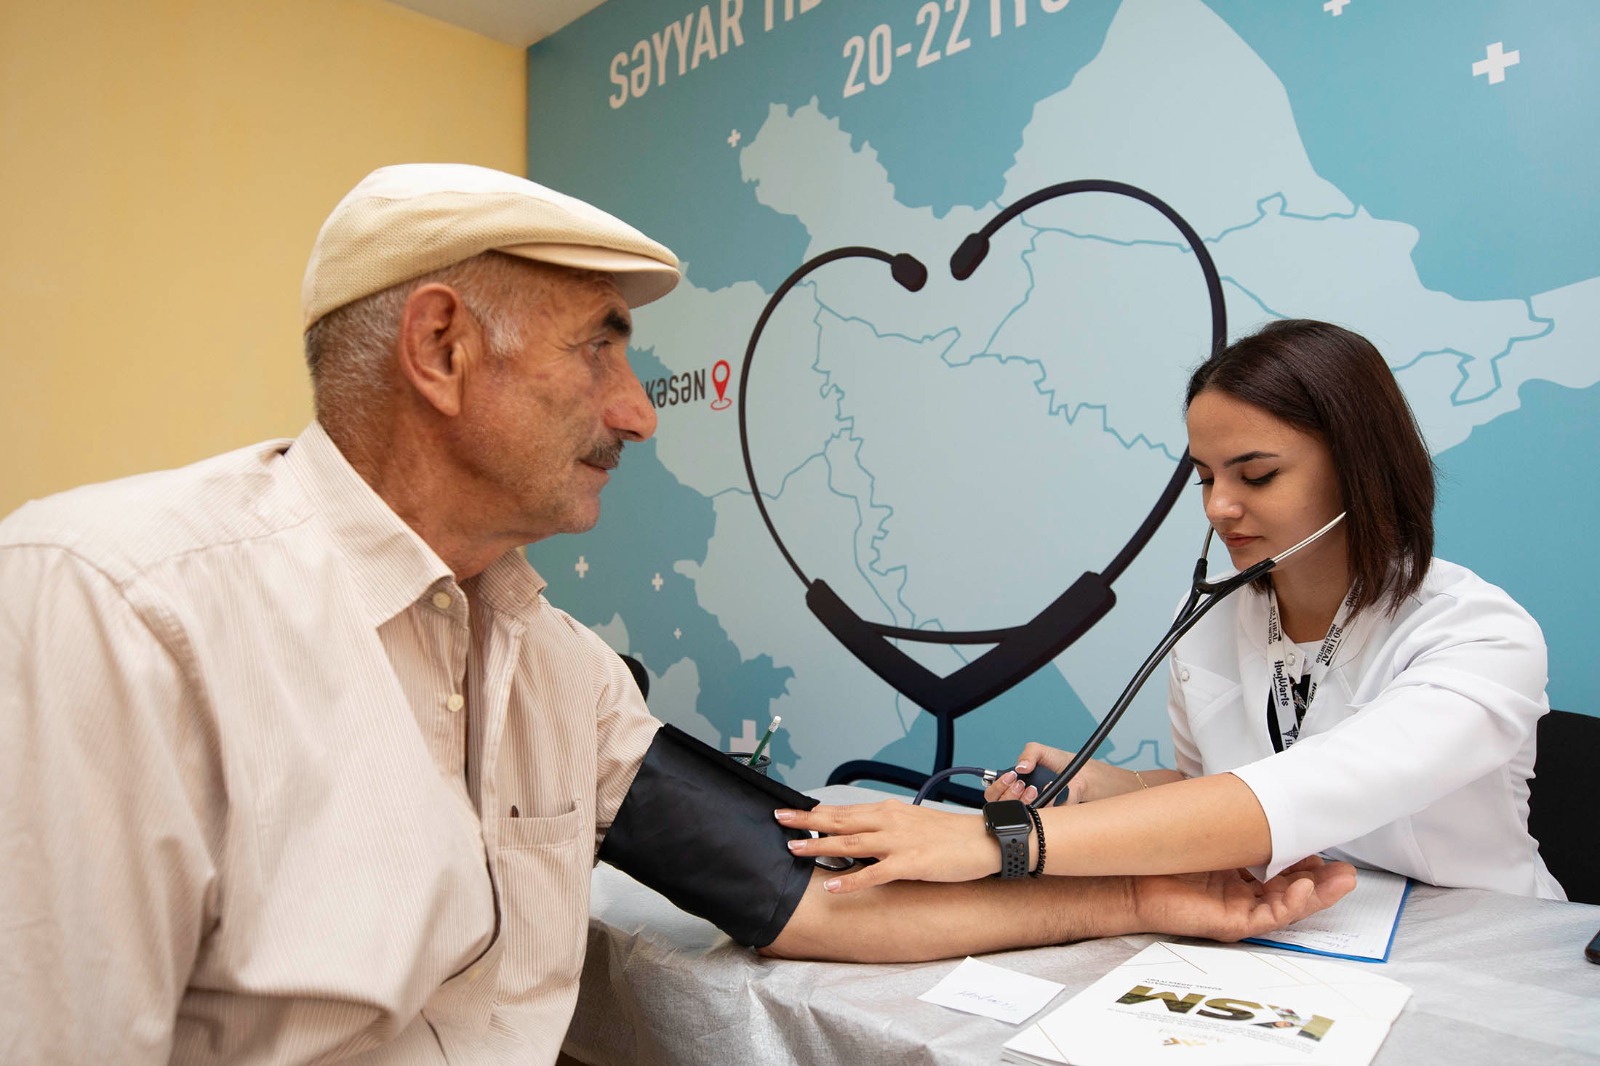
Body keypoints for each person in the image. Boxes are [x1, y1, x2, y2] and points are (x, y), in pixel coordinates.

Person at [0, 166, 1355, 1066]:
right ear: (441, 348)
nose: (641, 411)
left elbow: (807, 896)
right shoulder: (115, 606)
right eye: (600, 344)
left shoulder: (559, 669)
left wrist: (1149, 897)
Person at [782, 319, 1563, 901]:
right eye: (1205, 477)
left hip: (1476, 951)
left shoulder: (1477, 635)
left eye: (1256, 474)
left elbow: (1305, 792)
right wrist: (1104, 788)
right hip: (1299, 930)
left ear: (1362, 468)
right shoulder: (1213, 620)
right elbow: (1211, 786)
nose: (1219, 507)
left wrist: (1000, 842)